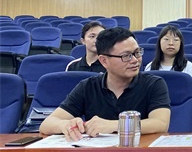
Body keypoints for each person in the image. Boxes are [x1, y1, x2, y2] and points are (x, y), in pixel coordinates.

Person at [40, 27, 171, 141]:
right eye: (126, 56)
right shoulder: (88, 86)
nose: (135, 60)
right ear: (104, 61)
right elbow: (47, 124)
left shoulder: (153, 84)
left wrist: (113, 125)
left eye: (137, 53)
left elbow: (160, 123)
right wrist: (65, 125)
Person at [145, 25, 192, 94]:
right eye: (166, 39)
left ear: (180, 44)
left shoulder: (188, 67)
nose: (171, 43)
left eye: (175, 40)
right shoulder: (149, 67)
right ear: (159, 42)